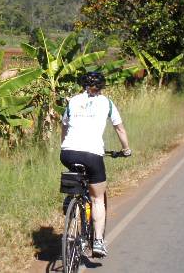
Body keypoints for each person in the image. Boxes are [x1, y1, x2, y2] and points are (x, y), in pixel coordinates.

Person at [60, 71, 131, 258]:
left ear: (83, 84)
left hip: (67, 153)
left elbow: (64, 126)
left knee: (76, 175)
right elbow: (119, 128)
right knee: (98, 198)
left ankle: (72, 198)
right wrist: (126, 149)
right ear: (101, 87)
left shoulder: (73, 101)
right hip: (92, 155)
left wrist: (64, 145)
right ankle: (98, 241)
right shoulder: (107, 103)